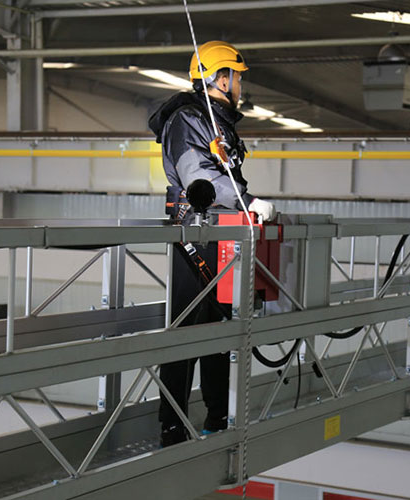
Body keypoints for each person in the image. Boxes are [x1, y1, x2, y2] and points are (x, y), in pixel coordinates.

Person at [148, 40, 276, 447]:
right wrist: (247, 201)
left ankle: (216, 418)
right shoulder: (188, 119)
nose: (240, 85)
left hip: (222, 230)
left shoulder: (215, 121)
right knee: (187, 328)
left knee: (220, 325)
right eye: (236, 77)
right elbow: (198, 175)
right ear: (221, 78)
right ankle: (172, 428)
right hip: (195, 232)